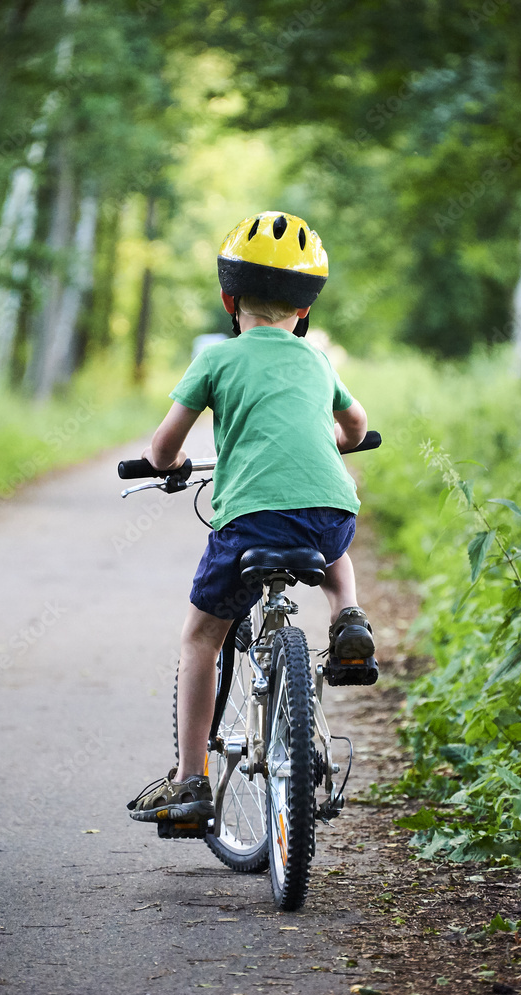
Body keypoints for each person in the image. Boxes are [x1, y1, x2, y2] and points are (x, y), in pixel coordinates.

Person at [127, 210, 376, 826]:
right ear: (304, 309)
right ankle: (348, 617)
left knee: (200, 638)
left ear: (228, 301)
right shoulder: (317, 361)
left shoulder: (216, 360)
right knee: (332, 543)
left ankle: (190, 781)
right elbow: (356, 426)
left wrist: (170, 466)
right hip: (329, 510)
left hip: (251, 523)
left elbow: (162, 448)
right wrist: (334, 445)